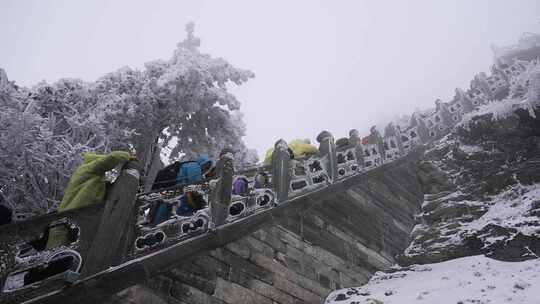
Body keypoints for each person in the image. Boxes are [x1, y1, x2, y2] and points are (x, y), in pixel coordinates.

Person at [46, 151, 133, 249]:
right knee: (56, 255)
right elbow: (114, 157)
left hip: (69, 219)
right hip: (69, 220)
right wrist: (129, 156)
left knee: (59, 253)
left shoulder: (89, 175)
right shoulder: (90, 168)